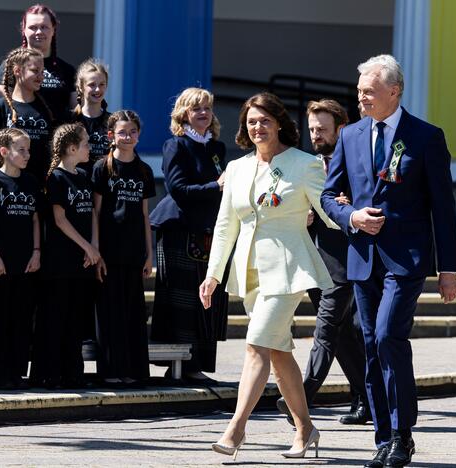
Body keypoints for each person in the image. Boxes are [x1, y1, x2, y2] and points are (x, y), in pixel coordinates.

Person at [321, 54, 456, 468]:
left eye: (368, 91)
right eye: (360, 90)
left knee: (387, 337)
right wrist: (352, 217)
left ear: (393, 91)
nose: (360, 98)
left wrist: (449, 269)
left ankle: (403, 433)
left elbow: (444, 207)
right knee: (369, 345)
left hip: (407, 258)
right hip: (363, 257)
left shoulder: (426, 136)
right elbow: (330, 196)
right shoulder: (349, 135)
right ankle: (383, 439)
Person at [200, 92, 333, 460]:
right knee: (278, 352)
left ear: (279, 123)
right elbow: (226, 226)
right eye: (251, 122)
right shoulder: (238, 168)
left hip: (288, 269)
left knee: (257, 344)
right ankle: (305, 429)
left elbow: (326, 208)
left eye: (264, 121)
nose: (258, 127)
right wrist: (213, 275)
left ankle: (235, 429)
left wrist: (355, 219)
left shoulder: (305, 164)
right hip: (249, 272)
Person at [276, 99, 370, 426]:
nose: (316, 135)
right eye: (312, 129)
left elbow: (372, 200)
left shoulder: (358, 162)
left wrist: (348, 204)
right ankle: (366, 399)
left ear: (340, 128)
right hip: (314, 261)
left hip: (346, 261)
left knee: (327, 329)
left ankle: (301, 396)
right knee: (341, 335)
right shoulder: (304, 164)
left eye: (323, 129)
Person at [149, 87, 228, 384]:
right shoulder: (176, 145)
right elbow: (178, 189)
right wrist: (215, 188)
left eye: (207, 107)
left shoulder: (216, 148)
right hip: (179, 230)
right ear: (184, 113)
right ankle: (179, 364)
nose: (203, 113)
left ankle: (199, 365)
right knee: (182, 299)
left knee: (208, 298)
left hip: (209, 230)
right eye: (196, 109)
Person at [91, 110, 154, 387]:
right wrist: (96, 250)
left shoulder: (144, 170)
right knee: (109, 313)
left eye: (132, 132)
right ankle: (110, 371)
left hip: (133, 252)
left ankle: (134, 371)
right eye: (122, 132)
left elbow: (144, 215)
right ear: (111, 136)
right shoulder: (101, 167)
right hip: (108, 251)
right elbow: (95, 211)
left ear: (138, 135)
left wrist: (149, 254)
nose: (127, 137)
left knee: (132, 313)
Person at [33, 122, 98, 389]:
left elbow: (91, 212)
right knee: (55, 317)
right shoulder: (56, 178)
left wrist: (92, 246)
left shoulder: (83, 175)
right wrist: (86, 246)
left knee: (75, 318)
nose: (89, 148)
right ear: (72, 148)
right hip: (60, 260)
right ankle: (49, 373)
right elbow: (59, 219)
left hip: (82, 259)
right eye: (85, 144)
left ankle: (73, 372)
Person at [0, 128, 41, 390]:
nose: (27, 155)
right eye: (21, 150)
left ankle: (18, 370)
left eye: (28, 150)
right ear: (5, 152)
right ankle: (0, 371)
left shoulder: (30, 182)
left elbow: (36, 219)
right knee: (0, 316)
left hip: (26, 260)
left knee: (22, 316)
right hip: (0, 261)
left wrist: (37, 252)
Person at [0, 4, 76, 115]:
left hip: (57, 132)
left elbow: (76, 111)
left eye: (44, 27)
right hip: (18, 131)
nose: (39, 32)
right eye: (33, 27)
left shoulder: (67, 70)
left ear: (53, 30)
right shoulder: (11, 64)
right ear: (24, 30)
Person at [0, 47, 54, 184]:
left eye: (42, 72)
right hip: (6, 185)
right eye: (35, 71)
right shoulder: (0, 107)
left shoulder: (46, 109)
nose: (41, 76)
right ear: (17, 71)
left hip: (38, 186)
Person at [73, 58, 110, 176]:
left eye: (102, 84)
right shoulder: (69, 120)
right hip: (76, 188)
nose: (97, 89)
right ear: (81, 87)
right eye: (92, 85)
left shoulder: (114, 122)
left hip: (104, 189)